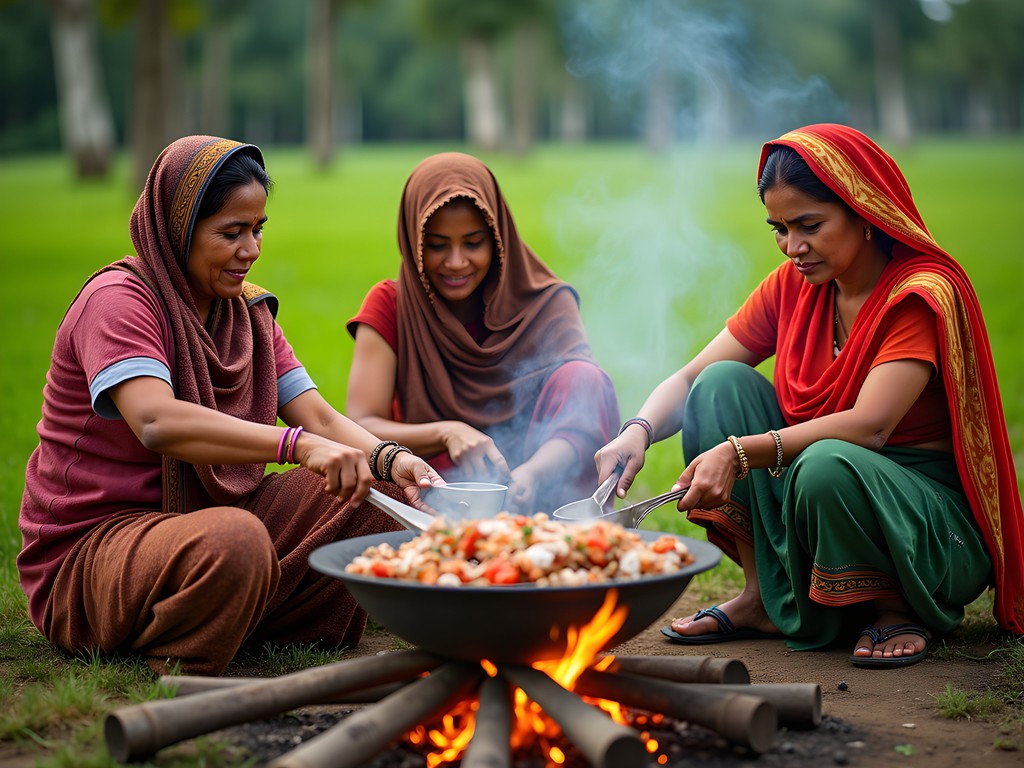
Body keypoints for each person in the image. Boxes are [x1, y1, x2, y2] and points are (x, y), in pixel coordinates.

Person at [595, 123, 1023, 668]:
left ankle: (893, 609)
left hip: (926, 529)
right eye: (779, 228)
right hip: (817, 489)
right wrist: (638, 431)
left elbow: (871, 427)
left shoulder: (917, 295)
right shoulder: (794, 286)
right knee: (719, 386)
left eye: (810, 226)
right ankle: (763, 598)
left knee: (826, 463)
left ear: (865, 213)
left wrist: (737, 452)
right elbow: (688, 378)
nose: (793, 247)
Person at [17, 135, 442, 677]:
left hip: (202, 533)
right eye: (231, 233)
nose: (252, 250)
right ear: (177, 231)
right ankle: (187, 646)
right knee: (239, 543)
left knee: (371, 493)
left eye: (258, 229)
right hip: (95, 552)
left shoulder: (247, 313)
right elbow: (155, 420)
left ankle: (230, 611)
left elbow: (321, 418)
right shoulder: (118, 302)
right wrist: (298, 447)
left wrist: (392, 460)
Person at [346, 152, 619, 515]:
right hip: (433, 488)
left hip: (543, 488)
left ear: (498, 239)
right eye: (438, 245)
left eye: (473, 243)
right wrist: (448, 432)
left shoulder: (545, 302)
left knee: (585, 377)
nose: (457, 262)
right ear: (413, 242)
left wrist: (533, 475)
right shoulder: (391, 305)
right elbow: (361, 424)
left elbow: (587, 402)